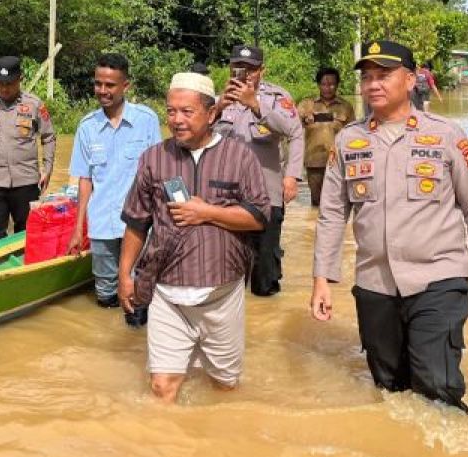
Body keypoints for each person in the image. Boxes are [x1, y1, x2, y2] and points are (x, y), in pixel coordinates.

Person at [310, 41, 468, 413]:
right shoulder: (349, 140)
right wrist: (322, 278)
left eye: (383, 75)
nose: (373, 85)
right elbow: (332, 214)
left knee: (436, 385)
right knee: (389, 389)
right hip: (375, 284)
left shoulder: (446, 134)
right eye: (367, 77)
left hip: (438, 280)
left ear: (410, 79)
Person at [118, 72, 270, 403]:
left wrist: (208, 213)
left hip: (222, 293)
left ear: (212, 113)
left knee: (225, 387)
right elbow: (136, 220)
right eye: (171, 111)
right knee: (162, 387)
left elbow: (259, 217)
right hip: (167, 293)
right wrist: (125, 274)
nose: (177, 120)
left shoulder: (240, 156)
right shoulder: (154, 158)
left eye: (187, 112)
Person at [66, 53, 161, 320]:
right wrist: (78, 228)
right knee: (105, 296)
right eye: (98, 84)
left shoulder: (147, 120)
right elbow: (85, 180)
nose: (103, 91)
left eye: (110, 85)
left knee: (137, 298)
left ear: (125, 86)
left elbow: (159, 174)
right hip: (102, 225)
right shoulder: (87, 127)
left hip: (139, 226)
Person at [214, 44, 304, 296]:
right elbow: (196, 134)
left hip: (267, 193)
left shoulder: (277, 98)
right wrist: (219, 106)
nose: (244, 73)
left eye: (251, 69)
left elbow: (294, 132)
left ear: (261, 71)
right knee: (226, 271)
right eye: (238, 67)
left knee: (265, 273)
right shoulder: (218, 100)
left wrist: (292, 176)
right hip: (226, 196)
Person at [0, 56, 56, 241]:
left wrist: (47, 169)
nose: (4, 88)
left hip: (26, 183)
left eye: (9, 83)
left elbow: (48, 137)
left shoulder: (34, 104)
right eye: (0, 84)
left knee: (29, 238)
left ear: (20, 79)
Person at [298, 67, 356, 207]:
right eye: (324, 84)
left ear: (337, 85)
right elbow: (292, 128)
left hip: (338, 162)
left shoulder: (346, 107)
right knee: (316, 204)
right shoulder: (306, 105)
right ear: (318, 85)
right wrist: (305, 119)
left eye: (331, 84)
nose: (328, 88)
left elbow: (353, 134)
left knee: (338, 202)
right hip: (314, 162)